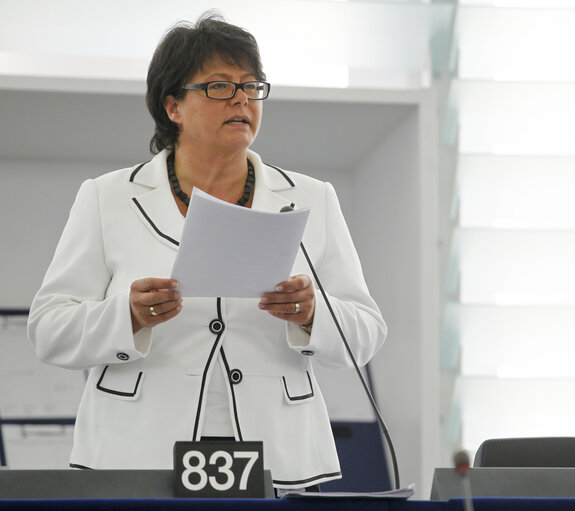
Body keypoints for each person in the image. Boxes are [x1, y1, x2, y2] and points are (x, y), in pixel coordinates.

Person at [27, 13, 387, 490]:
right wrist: (127, 316)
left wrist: (311, 314)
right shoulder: (107, 197)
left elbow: (366, 331)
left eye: (251, 85)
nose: (241, 98)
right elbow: (48, 329)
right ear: (173, 105)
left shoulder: (311, 198)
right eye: (219, 86)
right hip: (137, 450)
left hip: (279, 454)